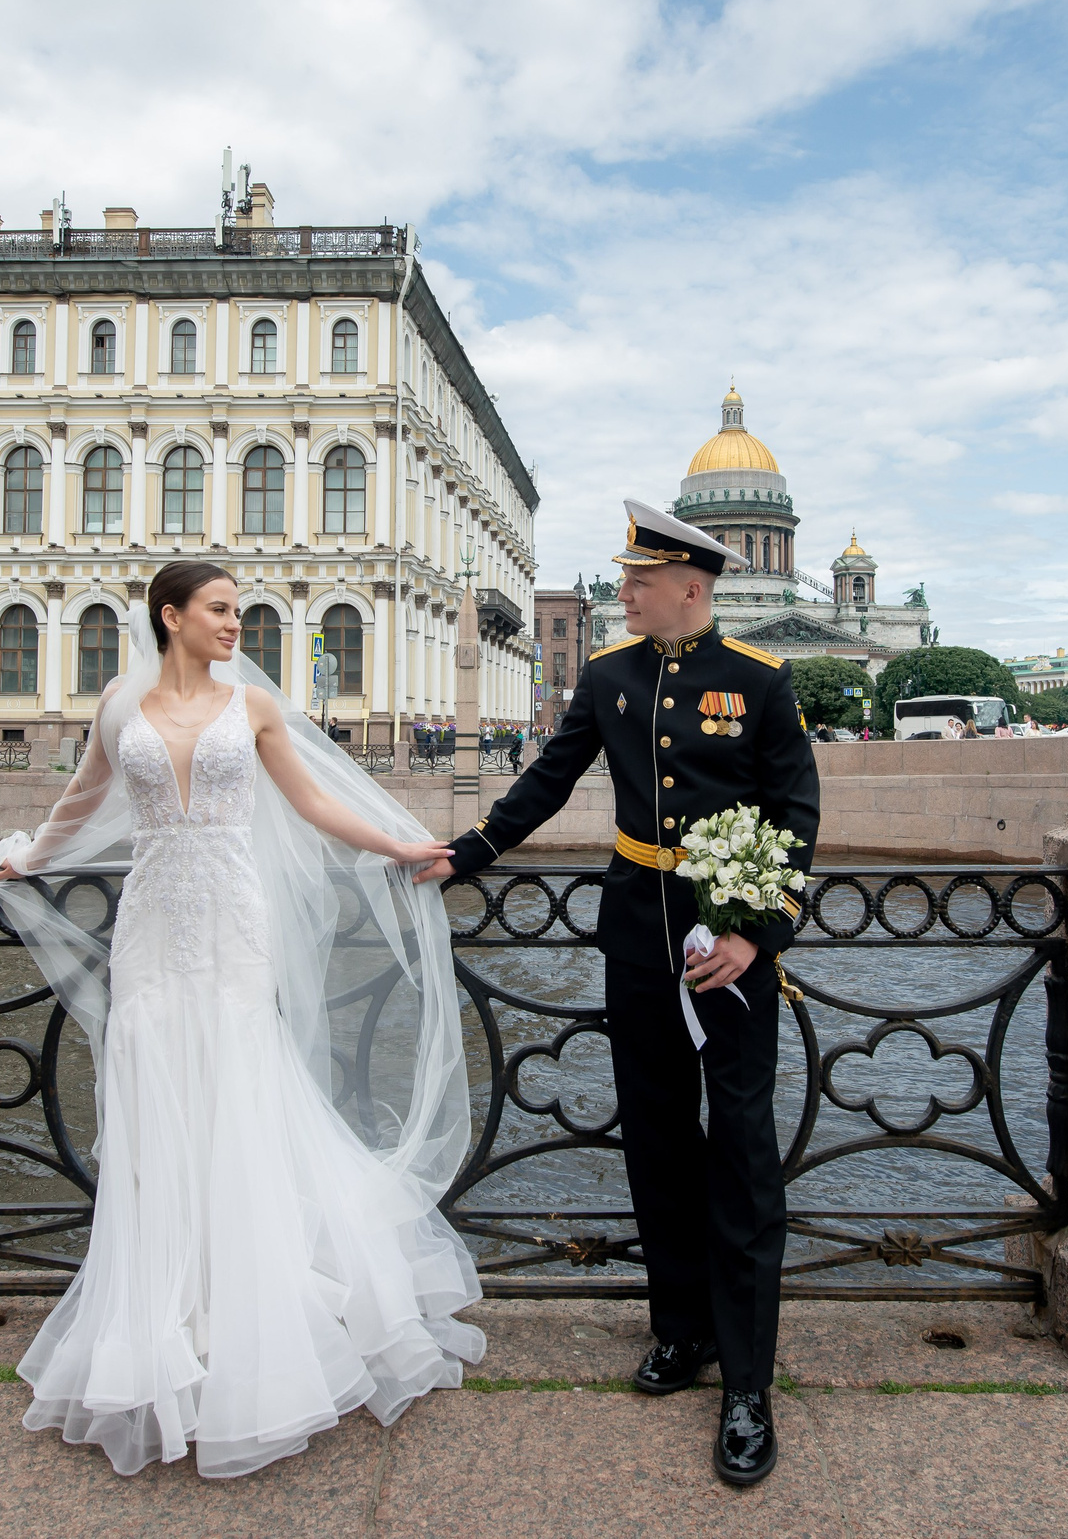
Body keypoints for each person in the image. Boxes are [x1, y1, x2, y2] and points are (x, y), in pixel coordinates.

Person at [0, 562, 480, 1477]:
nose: (235, 623)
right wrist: (29, 858)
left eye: (239, 610)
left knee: (238, 1094)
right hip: (153, 922)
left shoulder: (252, 708)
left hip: (231, 924)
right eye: (219, 609)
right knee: (156, 1096)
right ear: (171, 618)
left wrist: (403, 839)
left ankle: (247, 1314)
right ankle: (167, 1314)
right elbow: (82, 800)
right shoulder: (118, 705)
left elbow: (315, 801)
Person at [418, 499, 820, 1488]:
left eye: (637, 580)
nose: (622, 592)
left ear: (691, 586)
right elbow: (547, 781)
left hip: (725, 944)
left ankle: (748, 1383)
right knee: (654, 1141)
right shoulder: (608, 677)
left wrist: (752, 932)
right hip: (639, 931)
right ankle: (679, 1330)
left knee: (740, 1151)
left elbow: (796, 814)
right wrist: (466, 852)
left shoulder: (760, 682)